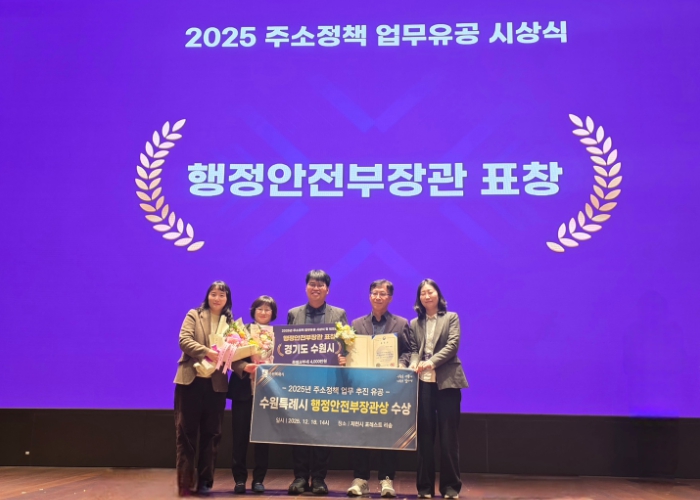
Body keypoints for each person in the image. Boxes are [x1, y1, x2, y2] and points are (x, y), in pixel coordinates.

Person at [344, 279, 417, 498]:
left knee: (388, 431)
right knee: (361, 432)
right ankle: (360, 479)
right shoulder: (356, 324)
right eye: (374, 293)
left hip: (389, 388)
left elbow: (409, 350)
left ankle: (386, 479)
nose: (378, 297)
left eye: (382, 294)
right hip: (363, 388)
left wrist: (401, 365)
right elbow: (350, 352)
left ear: (390, 298)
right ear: (369, 296)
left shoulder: (401, 323)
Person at [287, 270, 348, 496]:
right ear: (306, 287)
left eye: (320, 285)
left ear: (327, 290)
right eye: (312, 284)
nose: (316, 288)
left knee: (323, 430)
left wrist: (343, 356)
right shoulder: (293, 314)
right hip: (300, 382)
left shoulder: (338, 314)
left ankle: (320, 478)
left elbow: (346, 344)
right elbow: (286, 348)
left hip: (327, 382)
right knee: (299, 430)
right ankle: (300, 477)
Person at [411, 279, 468, 500]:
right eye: (423, 293)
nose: (427, 296)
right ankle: (424, 488)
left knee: (448, 438)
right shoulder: (414, 323)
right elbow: (414, 349)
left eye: (430, 292)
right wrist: (414, 363)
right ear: (419, 298)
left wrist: (431, 362)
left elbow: (452, 346)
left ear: (438, 295)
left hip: (447, 383)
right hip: (423, 384)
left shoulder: (451, 317)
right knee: (425, 438)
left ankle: (451, 488)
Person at [173, 281, 232, 497]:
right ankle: (185, 482)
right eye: (213, 294)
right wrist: (208, 352)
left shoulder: (231, 324)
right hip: (191, 382)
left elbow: (235, 353)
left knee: (212, 434)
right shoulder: (194, 315)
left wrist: (248, 366)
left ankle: (206, 480)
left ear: (227, 299)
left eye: (222, 295)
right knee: (186, 434)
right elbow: (184, 340)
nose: (217, 298)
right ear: (208, 296)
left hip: (216, 386)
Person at [228, 296, 277, 494]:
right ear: (253, 310)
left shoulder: (279, 335)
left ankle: (259, 479)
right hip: (243, 390)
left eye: (268, 309)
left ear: (273, 313)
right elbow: (230, 358)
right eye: (260, 308)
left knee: (262, 438)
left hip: (268, 391)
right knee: (239, 437)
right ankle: (239, 479)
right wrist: (245, 367)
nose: (263, 312)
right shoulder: (241, 331)